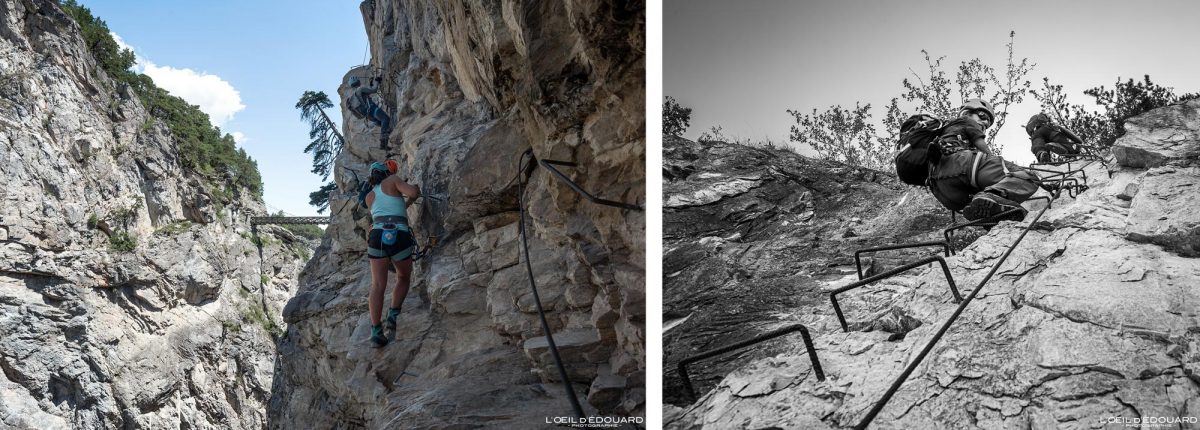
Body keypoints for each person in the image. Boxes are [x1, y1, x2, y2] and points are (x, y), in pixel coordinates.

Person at [928, 99, 1040, 222]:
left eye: (987, 123)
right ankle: (992, 197)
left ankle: (993, 217)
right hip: (962, 164)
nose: (985, 122)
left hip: (942, 188)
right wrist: (993, 160)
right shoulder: (967, 121)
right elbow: (982, 146)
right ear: (966, 113)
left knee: (982, 201)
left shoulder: (944, 130)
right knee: (1028, 178)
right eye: (982, 116)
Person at [364, 160, 420, 347]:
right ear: (386, 173)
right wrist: (415, 191)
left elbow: (385, 210)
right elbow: (412, 193)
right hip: (399, 234)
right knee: (403, 276)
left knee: (378, 284)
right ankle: (393, 316)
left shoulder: (370, 196)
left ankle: (376, 332)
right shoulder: (393, 180)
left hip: (377, 235)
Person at [349, 76, 393, 144]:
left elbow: (366, 94)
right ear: (358, 82)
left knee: (385, 125)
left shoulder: (353, 95)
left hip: (369, 117)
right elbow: (374, 90)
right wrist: (377, 81)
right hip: (373, 110)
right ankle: (383, 140)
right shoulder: (360, 89)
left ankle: (386, 139)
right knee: (385, 119)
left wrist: (371, 84)